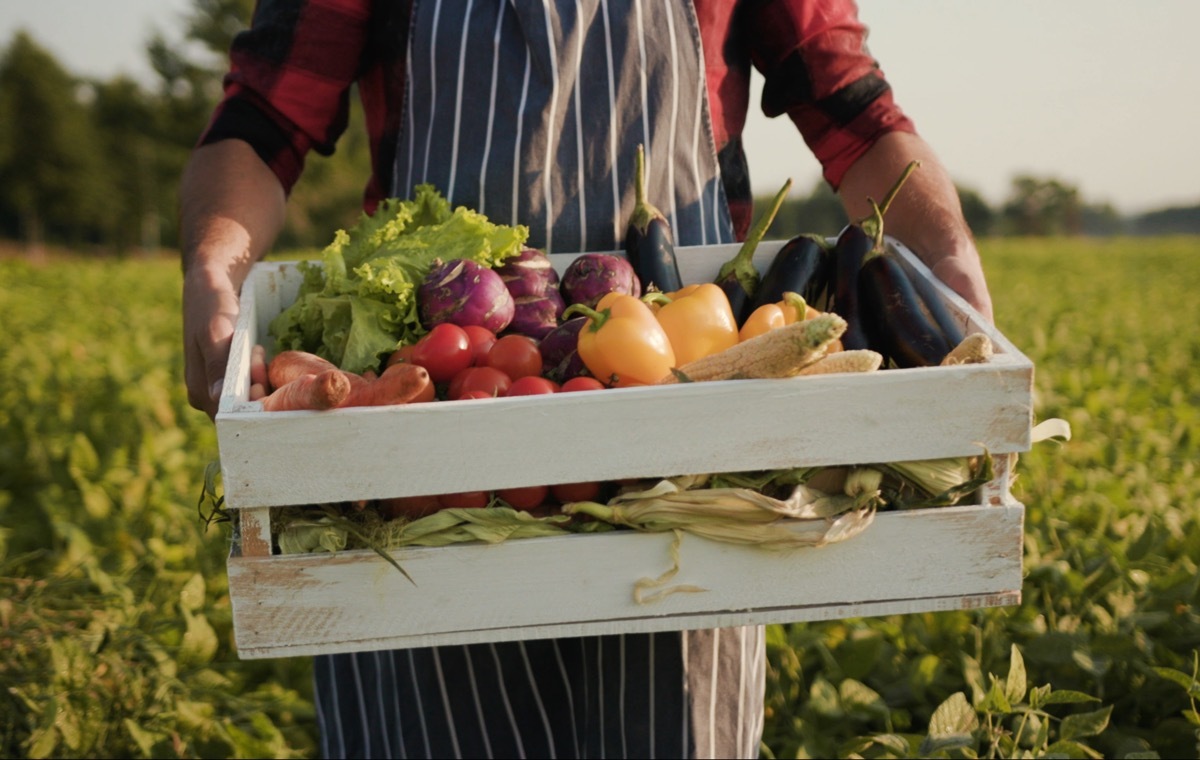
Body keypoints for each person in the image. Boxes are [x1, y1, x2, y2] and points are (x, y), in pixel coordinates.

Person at [180, 1, 994, 757]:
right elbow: (264, 119)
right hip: (429, 456)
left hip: (688, 467)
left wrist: (949, 254)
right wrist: (216, 265)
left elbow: (854, 109)